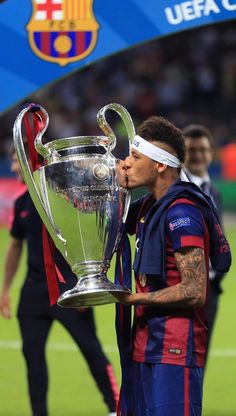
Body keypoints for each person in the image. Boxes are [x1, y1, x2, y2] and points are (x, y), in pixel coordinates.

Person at [114, 116, 231, 416]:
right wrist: (114, 186)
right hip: (144, 341)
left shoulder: (183, 212)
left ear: (160, 165)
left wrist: (133, 299)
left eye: (136, 156)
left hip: (175, 349)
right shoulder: (150, 205)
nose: (127, 163)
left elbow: (195, 291)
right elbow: (111, 225)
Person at [0, 151, 118, 416]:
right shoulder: (21, 203)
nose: (12, 166)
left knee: (91, 350)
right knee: (33, 358)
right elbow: (16, 246)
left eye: (16, 160)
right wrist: (5, 289)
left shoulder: (64, 196)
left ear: (30, 163)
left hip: (67, 290)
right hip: (32, 294)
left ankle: (115, 407)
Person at [182, 124, 225, 356]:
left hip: (211, 290)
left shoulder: (213, 191)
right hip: (184, 289)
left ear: (211, 154)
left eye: (203, 150)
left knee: (200, 356)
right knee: (181, 357)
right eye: (192, 150)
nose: (198, 155)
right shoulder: (176, 191)